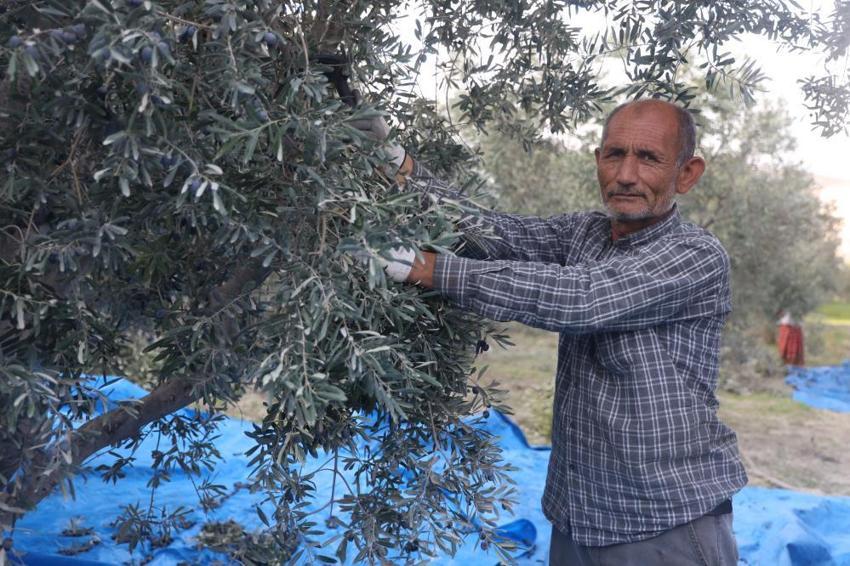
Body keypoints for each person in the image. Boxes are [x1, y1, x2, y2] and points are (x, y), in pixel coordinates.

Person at [354, 99, 747, 565]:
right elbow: (493, 232)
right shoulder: (585, 234)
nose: (625, 174)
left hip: (664, 523)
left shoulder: (694, 255)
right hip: (578, 517)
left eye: (648, 158)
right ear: (597, 160)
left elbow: (582, 298)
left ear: (687, 173)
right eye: (614, 154)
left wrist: (422, 267)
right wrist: (398, 165)